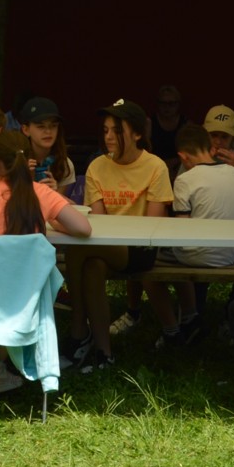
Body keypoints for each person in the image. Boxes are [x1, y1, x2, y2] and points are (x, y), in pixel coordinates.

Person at [0, 130, 93, 397]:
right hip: (29, 294)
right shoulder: (41, 193)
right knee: (2, 297)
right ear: (28, 161)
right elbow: (83, 228)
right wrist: (54, 223)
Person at [65, 99, 174, 375]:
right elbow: (99, 222)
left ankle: (78, 328)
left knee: (77, 248)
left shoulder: (155, 166)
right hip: (105, 245)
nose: (108, 137)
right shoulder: (97, 166)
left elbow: (152, 226)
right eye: (105, 130)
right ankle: (104, 352)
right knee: (92, 266)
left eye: (116, 131)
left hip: (142, 247)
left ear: (137, 134)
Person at [144, 123, 234, 342]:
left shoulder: (184, 180)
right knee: (173, 253)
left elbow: (182, 230)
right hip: (231, 255)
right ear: (210, 148)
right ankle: (190, 317)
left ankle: (172, 330)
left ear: (183, 156)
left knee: (146, 262)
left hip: (195, 256)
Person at [16, 96, 81, 202]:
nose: (48, 131)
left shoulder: (64, 164)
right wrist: (23, 181)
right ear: (26, 130)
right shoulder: (14, 161)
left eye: (53, 126)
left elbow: (60, 208)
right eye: (41, 126)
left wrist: (54, 194)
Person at [150, 84, 186, 163]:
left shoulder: (186, 125)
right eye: (163, 103)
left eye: (171, 103)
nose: (167, 107)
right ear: (158, 104)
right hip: (154, 165)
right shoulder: (149, 124)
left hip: (179, 166)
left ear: (178, 104)